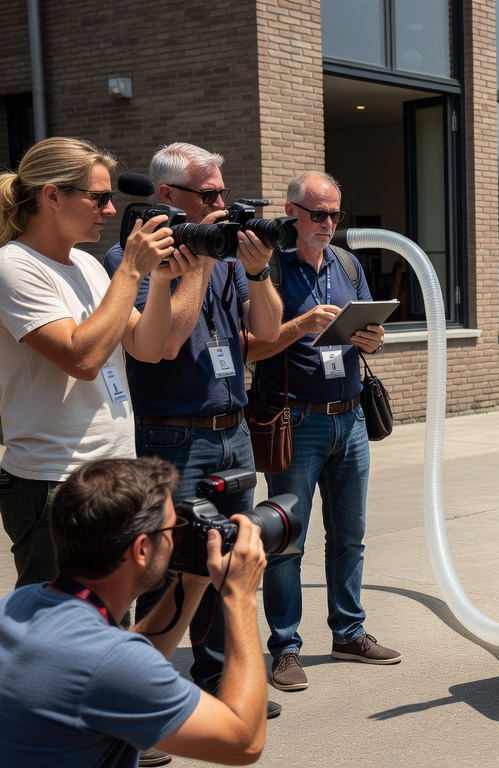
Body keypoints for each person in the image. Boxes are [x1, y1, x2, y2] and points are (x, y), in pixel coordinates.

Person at [100, 142, 283, 709]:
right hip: (173, 434)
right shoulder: (129, 258)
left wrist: (256, 272)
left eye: (224, 191)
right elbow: (169, 342)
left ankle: (222, 676)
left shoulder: (226, 254)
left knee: (230, 558)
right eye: (209, 195)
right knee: (171, 564)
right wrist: (200, 260)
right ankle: (142, 690)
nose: (222, 204)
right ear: (169, 196)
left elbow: (267, 333)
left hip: (232, 428)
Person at [0, 457, 269, 767]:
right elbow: (244, 742)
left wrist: (192, 581)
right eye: (173, 528)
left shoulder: (20, 604)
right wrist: (240, 596)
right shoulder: (108, 664)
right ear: (141, 549)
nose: (176, 538)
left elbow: (130, 661)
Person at [0, 136, 179, 588]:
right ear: (52, 196)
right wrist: (131, 272)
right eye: (98, 198)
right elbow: (82, 358)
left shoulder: (89, 265)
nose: (110, 210)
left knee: (110, 621)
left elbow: (148, 346)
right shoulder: (14, 266)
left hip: (117, 470)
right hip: (55, 482)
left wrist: (159, 282)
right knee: (59, 632)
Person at [246, 171, 401, 692]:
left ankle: (348, 632)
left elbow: (365, 340)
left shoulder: (348, 264)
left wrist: (372, 339)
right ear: (292, 212)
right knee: (287, 542)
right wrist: (301, 325)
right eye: (319, 214)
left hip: (350, 416)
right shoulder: (267, 268)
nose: (329, 223)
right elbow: (254, 346)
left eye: (336, 213)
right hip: (296, 420)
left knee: (350, 536)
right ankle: (286, 648)